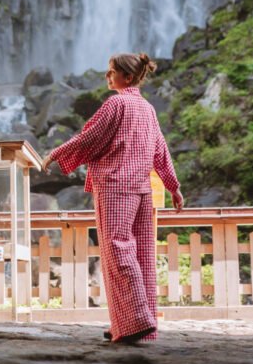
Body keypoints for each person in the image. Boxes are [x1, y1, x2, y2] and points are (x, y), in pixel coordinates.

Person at [42, 52, 183, 344]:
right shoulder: (147, 108)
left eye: (111, 71)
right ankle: (129, 325)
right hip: (142, 190)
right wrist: (173, 185)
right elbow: (161, 151)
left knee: (117, 251)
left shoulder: (116, 103)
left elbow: (89, 138)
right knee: (141, 255)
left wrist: (56, 153)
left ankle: (138, 320)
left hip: (117, 188)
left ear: (127, 77)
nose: (107, 76)